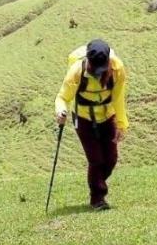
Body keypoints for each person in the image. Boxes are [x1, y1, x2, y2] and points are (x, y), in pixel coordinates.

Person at [54, 38, 127, 210]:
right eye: (96, 69)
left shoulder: (117, 69)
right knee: (96, 160)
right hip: (83, 119)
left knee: (111, 159)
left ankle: (96, 183)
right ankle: (97, 199)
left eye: (102, 69)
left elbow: (118, 98)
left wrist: (122, 124)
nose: (99, 73)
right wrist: (60, 111)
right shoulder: (76, 72)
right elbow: (62, 97)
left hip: (107, 116)